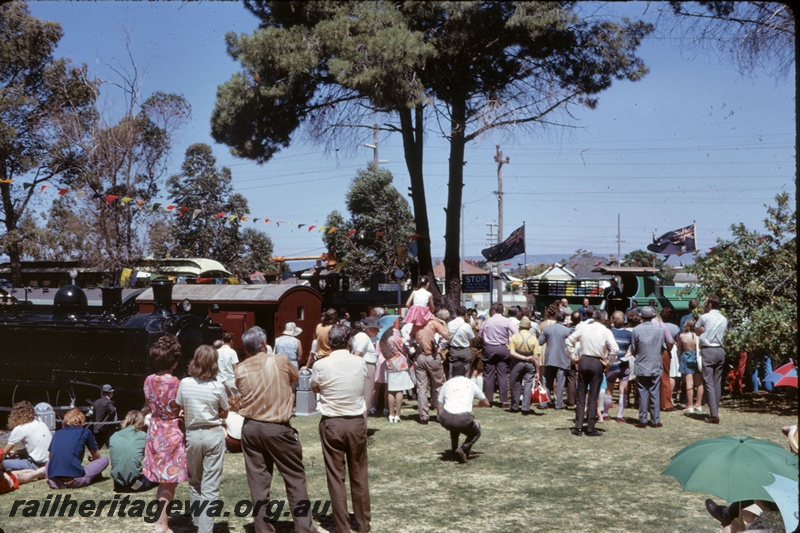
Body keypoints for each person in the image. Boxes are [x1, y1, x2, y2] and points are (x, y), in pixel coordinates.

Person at [235, 326, 318, 533]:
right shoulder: (279, 360)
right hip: (277, 427)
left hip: (251, 427)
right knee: (295, 478)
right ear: (264, 344)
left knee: (258, 482)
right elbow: (295, 378)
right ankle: (304, 528)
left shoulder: (240, 369)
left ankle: (262, 528)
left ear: (246, 348)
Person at [310, 324, 370, 533]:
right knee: (359, 474)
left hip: (332, 422)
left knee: (336, 476)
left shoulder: (321, 365)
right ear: (348, 341)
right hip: (355, 421)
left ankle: (342, 526)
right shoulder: (360, 362)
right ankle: (363, 524)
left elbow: (314, 386)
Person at [175, 345, 229, 533]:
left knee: (195, 481)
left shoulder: (185, 383)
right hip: (213, 433)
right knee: (210, 486)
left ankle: (198, 523)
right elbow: (225, 412)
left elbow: (179, 405)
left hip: (193, 435)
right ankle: (205, 529)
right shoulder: (218, 386)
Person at [142, 335, 189, 533]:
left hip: (155, 429)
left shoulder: (148, 380)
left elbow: (147, 405)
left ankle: (160, 519)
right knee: (170, 480)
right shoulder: (178, 383)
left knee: (162, 480)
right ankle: (161, 524)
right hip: (171, 431)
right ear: (175, 360)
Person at [565, 309, 618, 436]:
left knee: (581, 394)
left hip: (583, 361)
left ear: (594, 317)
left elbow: (568, 341)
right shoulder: (606, 331)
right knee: (593, 396)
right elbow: (615, 349)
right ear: (604, 319)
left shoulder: (584, 328)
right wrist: (609, 363)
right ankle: (590, 427)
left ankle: (578, 426)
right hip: (597, 362)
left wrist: (573, 357)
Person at [438, 363, 490, 463]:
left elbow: (440, 403)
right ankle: (463, 449)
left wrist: (440, 418)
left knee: (454, 427)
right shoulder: (470, 383)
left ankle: (454, 452)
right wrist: (473, 404)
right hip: (463, 418)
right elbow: (486, 402)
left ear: (451, 373)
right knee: (476, 432)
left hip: (446, 418)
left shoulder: (447, 384)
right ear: (465, 372)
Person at [630, 306, 672, 428]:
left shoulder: (636, 330)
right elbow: (661, 348)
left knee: (642, 393)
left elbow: (633, 348)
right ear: (653, 316)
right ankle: (655, 420)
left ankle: (642, 420)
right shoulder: (659, 330)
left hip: (642, 364)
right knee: (655, 393)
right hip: (655, 364)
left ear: (641, 317)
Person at [46, 408, 109, 488]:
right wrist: (93, 459)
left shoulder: (57, 433)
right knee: (104, 459)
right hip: (74, 480)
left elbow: (50, 457)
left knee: (48, 462)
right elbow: (96, 456)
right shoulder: (85, 432)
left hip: (54, 481)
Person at [695, 294, 728, 424]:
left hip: (708, 349)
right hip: (720, 350)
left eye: (705, 301)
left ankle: (714, 415)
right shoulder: (723, 318)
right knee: (717, 382)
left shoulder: (704, 317)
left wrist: (702, 331)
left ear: (709, 305)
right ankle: (715, 409)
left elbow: (697, 331)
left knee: (708, 382)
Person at [479, 303, 518, 408]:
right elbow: (516, 333)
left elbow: (480, 334)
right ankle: (504, 400)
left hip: (489, 348)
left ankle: (488, 400)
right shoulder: (506, 321)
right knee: (503, 375)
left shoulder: (486, 321)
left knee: (488, 374)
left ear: (493, 310)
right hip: (502, 348)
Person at [109, 410, 158, 492]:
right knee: (157, 479)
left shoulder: (114, 436)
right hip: (134, 483)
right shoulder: (142, 436)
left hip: (117, 484)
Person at [380, 316, 414, 423]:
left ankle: (391, 414)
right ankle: (397, 414)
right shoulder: (393, 335)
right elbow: (403, 348)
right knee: (399, 389)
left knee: (391, 389)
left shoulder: (382, 337)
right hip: (400, 362)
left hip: (389, 362)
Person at [2, 400, 51, 474]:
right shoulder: (40, 422)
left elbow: (4, 453)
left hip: (37, 464)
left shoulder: (20, 428)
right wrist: (17, 452)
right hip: (50, 462)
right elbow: (36, 447)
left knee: (4, 463)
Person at [538, 311, 572, 410]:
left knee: (546, 381)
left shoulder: (547, 329)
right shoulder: (567, 331)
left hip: (550, 358)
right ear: (564, 319)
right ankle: (559, 404)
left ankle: (544, 403)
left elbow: (540, 342)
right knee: (560, 383)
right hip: (562, 359)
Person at [507, 317, 540, 414]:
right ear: (529, 328)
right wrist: (537, 371)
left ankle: (514, 406)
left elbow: (512, 353)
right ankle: (526, 408)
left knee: (515, 384)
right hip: (530, 363)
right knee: (528, 385)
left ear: (520, 327)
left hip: (516, 362)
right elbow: (536, 357)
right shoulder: (534, 338)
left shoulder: (514, 337)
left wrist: (523, 358)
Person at [351, 316, 380, 420]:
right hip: (367, 367)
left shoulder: (359, 336)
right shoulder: (364, 338)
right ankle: (362, 427)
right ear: (370, 329)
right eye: (376, 329)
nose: (378, 331)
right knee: (366, 399)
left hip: (364, 366)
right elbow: (357, 353)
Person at [607, 311, 633, 422]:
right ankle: (619, 415)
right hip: (624, 364)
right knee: (623, 390)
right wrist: (626, 355)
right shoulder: (629, 334)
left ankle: (605, 413)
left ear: (612, 320)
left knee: (609, 389)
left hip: (611, 364)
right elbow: (633, 349)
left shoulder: (608, 332)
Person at [676, 319, 704, 414]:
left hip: (686, 356)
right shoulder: (698, 336)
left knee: (689, 383)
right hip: (697, 357)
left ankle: (690, 405)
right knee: (699, 383)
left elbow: (679, 348)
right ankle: (698, 404)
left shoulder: (682, 336)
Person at [447, 306, 476, 379]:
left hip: (453, 350)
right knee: (466, 372)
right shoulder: (467, 326)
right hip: (465, 349)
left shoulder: (450, 324)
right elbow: (471, 338)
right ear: (466, 314)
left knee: (452, 372)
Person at [91, 383, 118, 449]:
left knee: (97, 447)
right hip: (105, 428)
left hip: (96, 428)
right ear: (109, 393)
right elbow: (112, 411)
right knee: (109, 445)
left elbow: (93, 415)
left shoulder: (96, 402)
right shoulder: (108, 402)